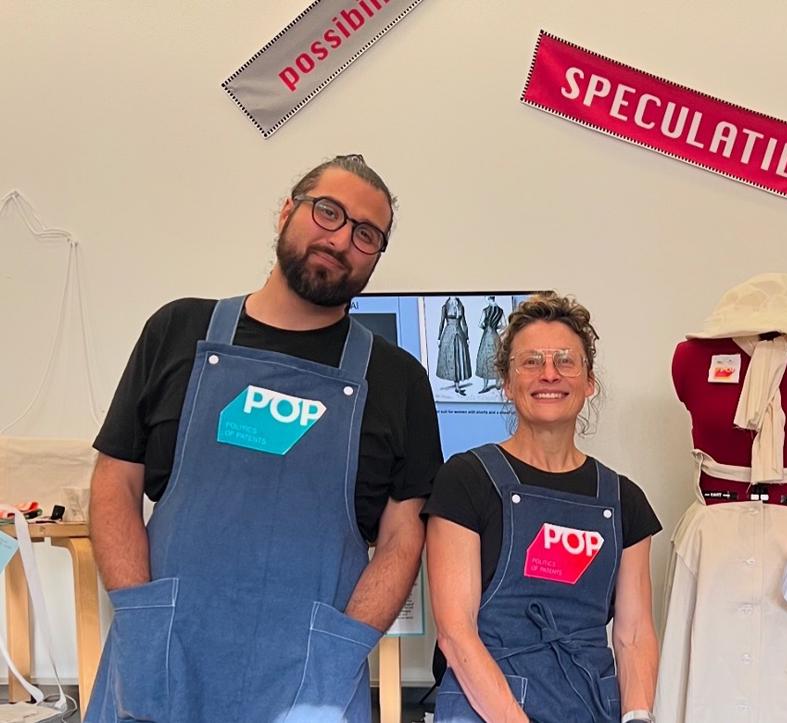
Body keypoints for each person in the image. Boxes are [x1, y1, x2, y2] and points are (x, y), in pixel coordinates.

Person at [86, 155, 441, 723]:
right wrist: (141, 618)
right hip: (164, 661)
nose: (341, 238)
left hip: (310, 678)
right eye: (328, 212)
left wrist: (343, 648)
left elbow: (404, 536)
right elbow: (115, 479)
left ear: (375, 256)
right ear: (287, 211)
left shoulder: (398, 382)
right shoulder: (179, 330)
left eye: (366, 233)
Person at [425, 292, 661, 723]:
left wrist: (638, 716)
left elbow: (632, 634)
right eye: (531, 362)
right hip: (487, 707)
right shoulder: (466, 481)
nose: (548, 374)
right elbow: (455, 634)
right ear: (507, 381)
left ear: (589, 381)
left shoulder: (625, 501)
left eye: (565, 361)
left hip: (591, 705)